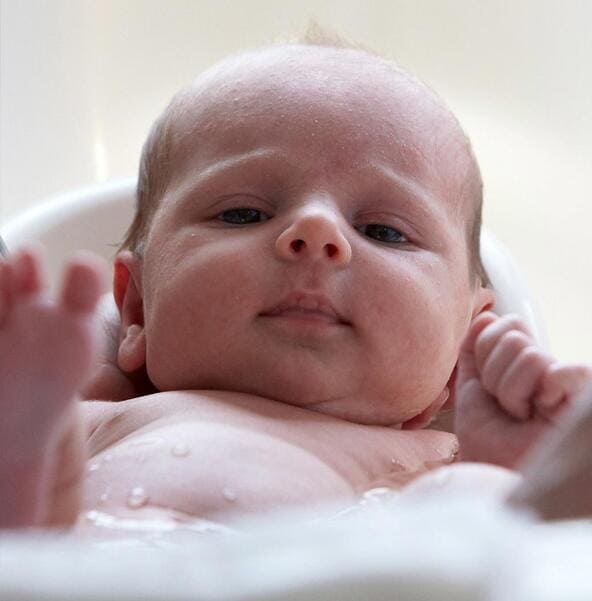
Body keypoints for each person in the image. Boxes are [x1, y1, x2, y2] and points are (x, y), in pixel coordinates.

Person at [1, 39, 591, 531]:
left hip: (348, 580)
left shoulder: (442, 460)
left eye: (383, 230)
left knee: (472, 499)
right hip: (89, 569)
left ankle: (539, 511)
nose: (315, 231)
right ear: (135, 311)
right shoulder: (98, 417)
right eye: (242, 214)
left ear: (460, 358)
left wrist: (518, 470)